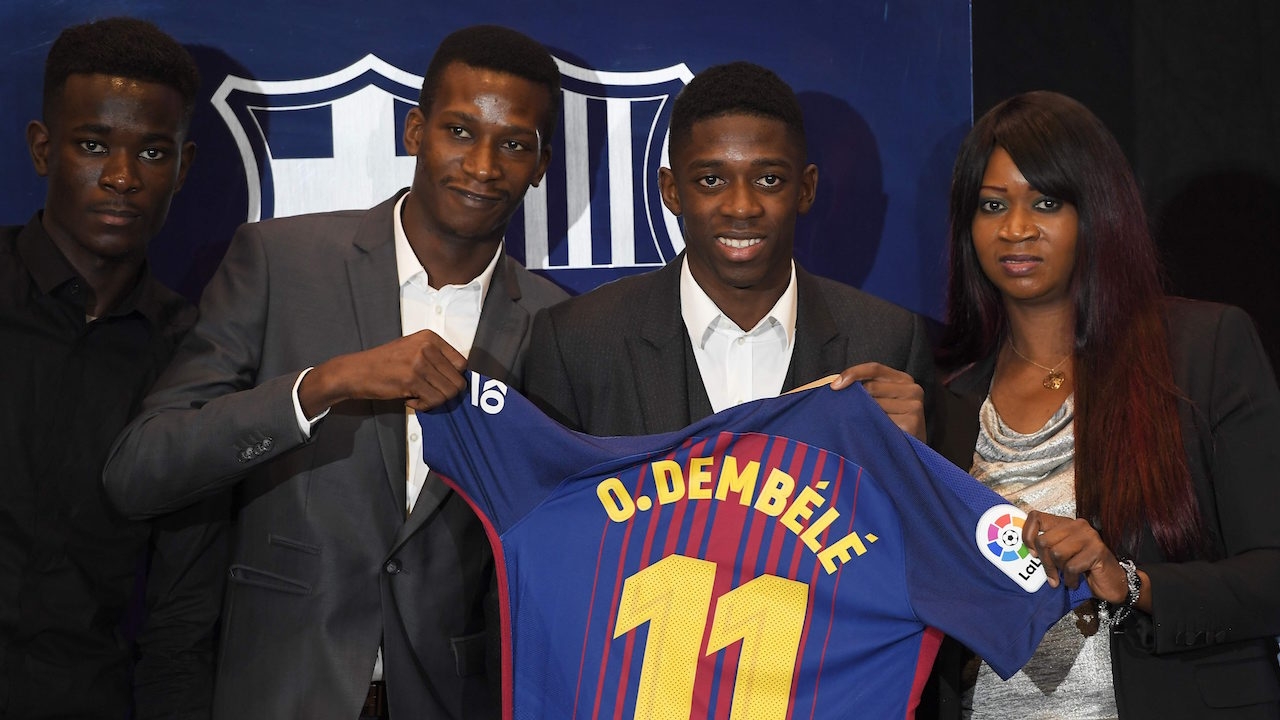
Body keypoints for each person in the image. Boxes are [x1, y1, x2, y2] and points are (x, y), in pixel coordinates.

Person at [104, 25, 568, 720]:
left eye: (513, 144)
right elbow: (141, 470)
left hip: (449, 698)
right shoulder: (279, 261)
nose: (482, 165)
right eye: (459, 131)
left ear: (541, 165)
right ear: (416, 131)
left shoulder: (556, 323)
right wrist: (322, 386)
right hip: (281, 688)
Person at [929, 90, 1280, 719]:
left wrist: (1130, 581)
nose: (1015, 228)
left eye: (1046, 202)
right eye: (992, 204)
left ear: (1097, 212)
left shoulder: (1202, 351)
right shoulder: (945, 394)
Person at [1, 16, 226, 719]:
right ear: (43, 149)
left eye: (152, 152)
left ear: (183, 167)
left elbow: (181, 616)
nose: (123, 178)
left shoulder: (197, 358)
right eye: (93, 145)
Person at [523, 61, 933, 442]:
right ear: (671, 191)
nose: (741, 207)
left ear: (805, 189)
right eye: (711, 180)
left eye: (768, 179)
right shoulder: (576, 342)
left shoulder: (888, 341)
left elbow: (922, 496)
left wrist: (913, 460)